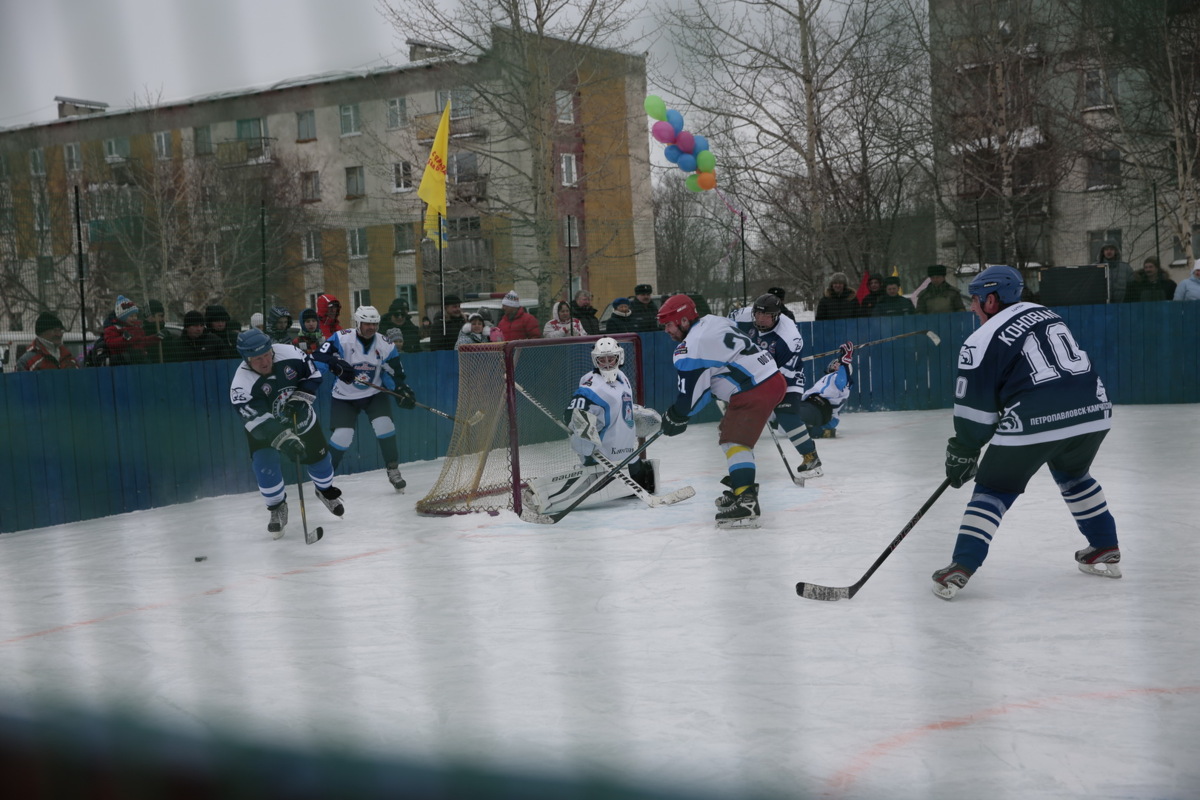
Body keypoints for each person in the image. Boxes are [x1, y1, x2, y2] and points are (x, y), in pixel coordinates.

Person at [931, 265, 1120, 600]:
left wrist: (963, 450)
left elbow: (976, 415)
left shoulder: (980, 340)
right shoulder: (1046, 314)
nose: (972, 307)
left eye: (975, 300)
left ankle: (962, 565)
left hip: (1037, 418)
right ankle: (1105, 545)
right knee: (1074, 474)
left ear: (992, 300)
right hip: (1094, 412)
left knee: (993, 487)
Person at [657, 294, 787, 529]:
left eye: (669, 324)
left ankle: (746, 499)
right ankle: (740, 487)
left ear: (684, 320)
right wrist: (681, 415)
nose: (666, 330)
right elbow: (706, 389)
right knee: (729, 433)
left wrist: (675, 416)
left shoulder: (690, 347)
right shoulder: (712, 320)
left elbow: (691, 397)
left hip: (755, 388)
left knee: (735, 441)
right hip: (772, 378)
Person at [523, 338, 662, 515]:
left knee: (642, 486)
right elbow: (571, 416)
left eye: (610, 359)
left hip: (627, 456)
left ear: (619, 357)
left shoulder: (623, 379)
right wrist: (586, 445)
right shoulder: (591, 387)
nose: (606, 364)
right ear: (594, 360)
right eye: (601, 360)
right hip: (603, 460)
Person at [229, 328, 344, 538]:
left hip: (302, 419)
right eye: (257, 359)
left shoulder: (290, 353)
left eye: (266, 355)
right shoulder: (241, 385)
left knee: (320, 461)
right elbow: (258, 421)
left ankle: (325, 490)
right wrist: (286, 440)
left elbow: (313, 375)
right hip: (265, 431)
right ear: (246, 358)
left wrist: (301, 397)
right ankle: (276, 508)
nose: (264, 362)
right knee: (265, 468)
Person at [313, 305, 415, 491]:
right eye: (367, 323)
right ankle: (324, 478)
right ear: (358, 322)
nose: (371, 328)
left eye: (374, 324)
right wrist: (333, 365)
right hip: (344, 397)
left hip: (373, 395)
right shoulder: (342, 338)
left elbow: (393, 372)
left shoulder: (385, 343)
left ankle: (393, 469)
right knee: (343, 436)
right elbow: (319, 357)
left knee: (385, 426)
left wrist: (401, 389)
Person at [731, 293, 828, 480]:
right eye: (757, 314)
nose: (759, 318)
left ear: (776, 316)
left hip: (786, 375)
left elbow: (778, 375)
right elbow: (723, 325)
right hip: (755, 368)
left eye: (765, 316)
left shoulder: (789, 337)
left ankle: (810, 456)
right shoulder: (744, 315)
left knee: (786, 414)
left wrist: (760, 392)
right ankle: (739, 464)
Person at [802, 349, 855, 438]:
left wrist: (844, 363)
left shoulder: (842, 379)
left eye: (839, 364)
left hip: (822, 412)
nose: (836, 364)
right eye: (836, 363)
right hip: (822, 413)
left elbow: (841, 381)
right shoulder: (829, 377)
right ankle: (816, 431)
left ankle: (814, 430)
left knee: (791, 421)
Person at [103, 296, 162, 365]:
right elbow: (110, 343)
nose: (134, 318)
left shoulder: (137, 328)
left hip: (140, 361)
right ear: (122, 317)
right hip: (123, 363)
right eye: (131, 316)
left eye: (135, 315)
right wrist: (124, 339)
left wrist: (156, 337)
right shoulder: (113, 329)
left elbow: (143, 341)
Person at [15, 311, 80, 371]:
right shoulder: (26, 361)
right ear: (42, 333)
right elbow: (19, 382)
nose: (59, 334)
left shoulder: (67, 356)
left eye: (60, 330)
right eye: (55, 331)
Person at [142, 299, 176, 364]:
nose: (163, 319)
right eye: (161, 316)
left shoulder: (166, 333)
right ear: (151, 316)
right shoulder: (142, 333)